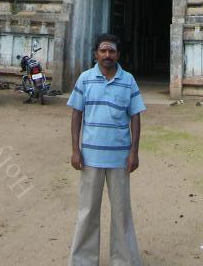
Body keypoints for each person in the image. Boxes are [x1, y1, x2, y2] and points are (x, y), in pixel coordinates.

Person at [68, 33, 146, 265]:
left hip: (119, 158)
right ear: (96, 54)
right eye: (103, 51)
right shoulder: (85, 79)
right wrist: (75, 149)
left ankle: (124, 260)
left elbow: (135, 116)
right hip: (90, 156)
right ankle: (83, 260)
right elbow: (76, 114)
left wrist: (134, 152)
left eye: (111, 51)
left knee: (121, 213)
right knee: (87, 212)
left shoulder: (128, 80)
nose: (107, 55)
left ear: (118, 54)